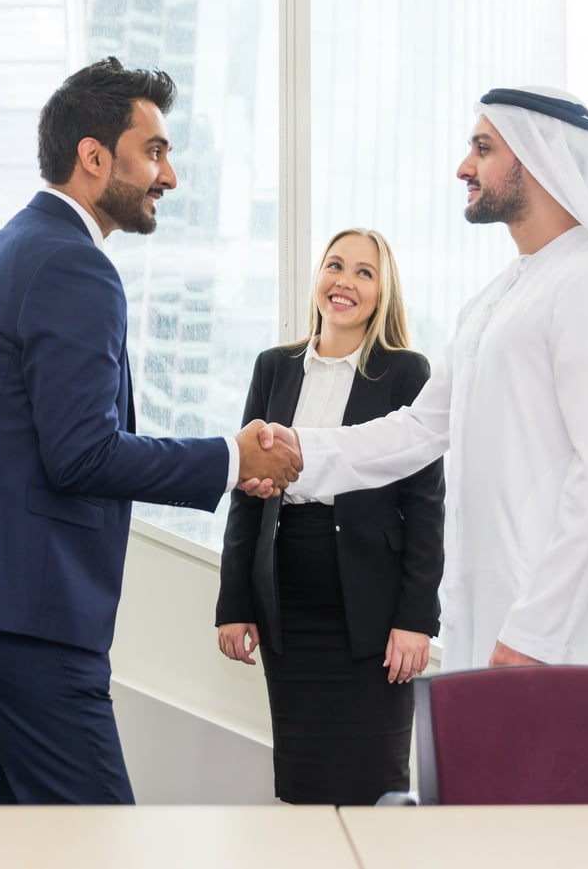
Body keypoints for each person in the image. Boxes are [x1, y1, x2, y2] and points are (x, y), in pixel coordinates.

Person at [0, 58, 301, 806]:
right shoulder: (72, 264)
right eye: (155, 151)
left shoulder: (9, 244)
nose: (168, 176)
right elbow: (81, 452)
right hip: (13, 605)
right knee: (98, 831)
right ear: (93, 156)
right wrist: (227, 457)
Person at [252, 86, 588, 671]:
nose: (465, 166)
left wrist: (535, 634)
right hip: (485, 623)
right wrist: (301, 447)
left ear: (539, 159)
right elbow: (418, 430)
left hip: (550, 639)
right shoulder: (497, 298)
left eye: (483, 148)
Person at [217, 228, 445, 805]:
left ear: (382, 292)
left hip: (373, 614)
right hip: (288, 611)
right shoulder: (274, 367)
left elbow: (425, 506)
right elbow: (246, 495)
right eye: (335, 266)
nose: (345, 281)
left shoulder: (406, 372)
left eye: (364, 272)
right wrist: (235, 604)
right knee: (301, 783)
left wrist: (416, 619)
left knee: (375, 787)